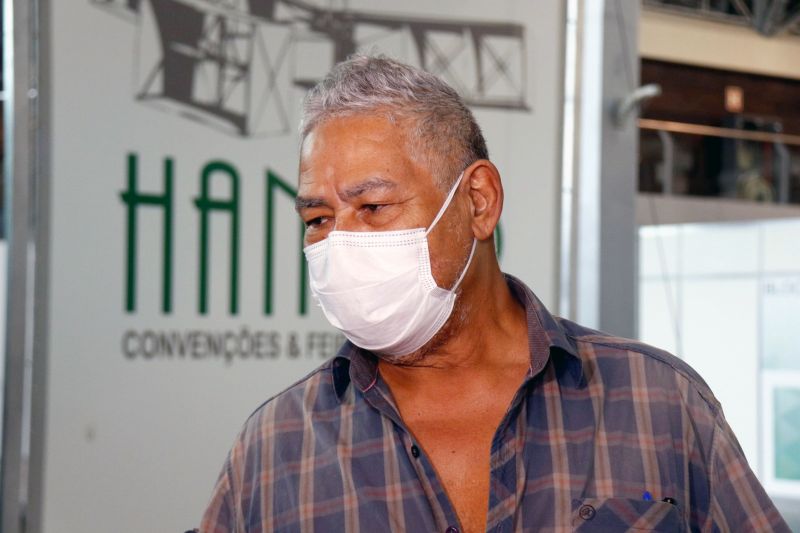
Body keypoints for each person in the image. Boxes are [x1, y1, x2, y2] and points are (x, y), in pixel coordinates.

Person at [198, 55, 789, 532]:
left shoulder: (657, 404)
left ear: (478, 201)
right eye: (318, 219)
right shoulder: (277, 449)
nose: (339, 243)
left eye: (373, 207)